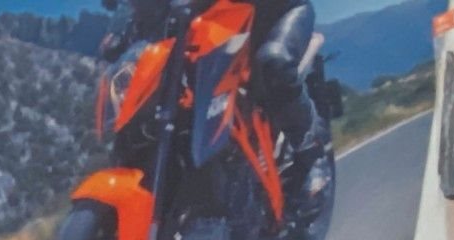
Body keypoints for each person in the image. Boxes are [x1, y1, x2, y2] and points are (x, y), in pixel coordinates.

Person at [101, 0, 322, 168]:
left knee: (274, 61)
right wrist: (120, 31)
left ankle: (309, 144)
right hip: (211, 26)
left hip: (275, 12)